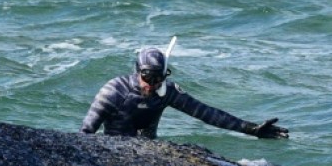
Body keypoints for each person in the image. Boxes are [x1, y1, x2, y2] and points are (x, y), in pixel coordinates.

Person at [81, 45, 288, 139]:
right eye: (147, 77)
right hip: (114, 150)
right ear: (137, 72)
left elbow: (207, 113)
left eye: (159, 78)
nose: (152, 84)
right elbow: (86, 133)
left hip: (149, 151)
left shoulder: (166, 92)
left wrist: (251, 129)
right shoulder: (114, 90)